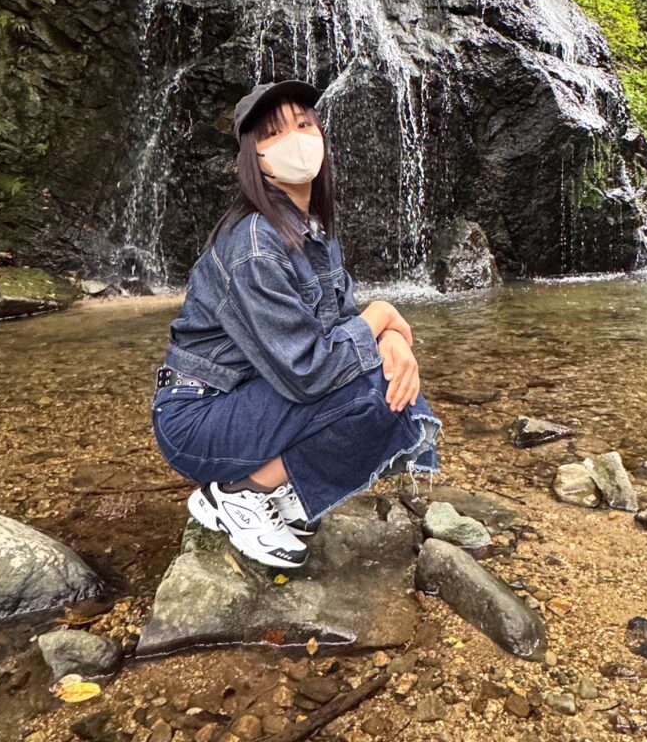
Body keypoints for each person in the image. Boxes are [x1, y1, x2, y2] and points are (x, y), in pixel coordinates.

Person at [150, 78, 441, 570]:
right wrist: (382, 314)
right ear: (255, 159)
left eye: (304, 125)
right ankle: (238, 494)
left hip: (252, 400)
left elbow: (343, 322)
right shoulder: (254, 246)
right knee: (374, 387)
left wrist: (393, 337)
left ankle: (283, 488)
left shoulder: (313, 230)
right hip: (200, 418)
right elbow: (308, 371)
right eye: (274, 133)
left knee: (395, 384)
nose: (296, 141)